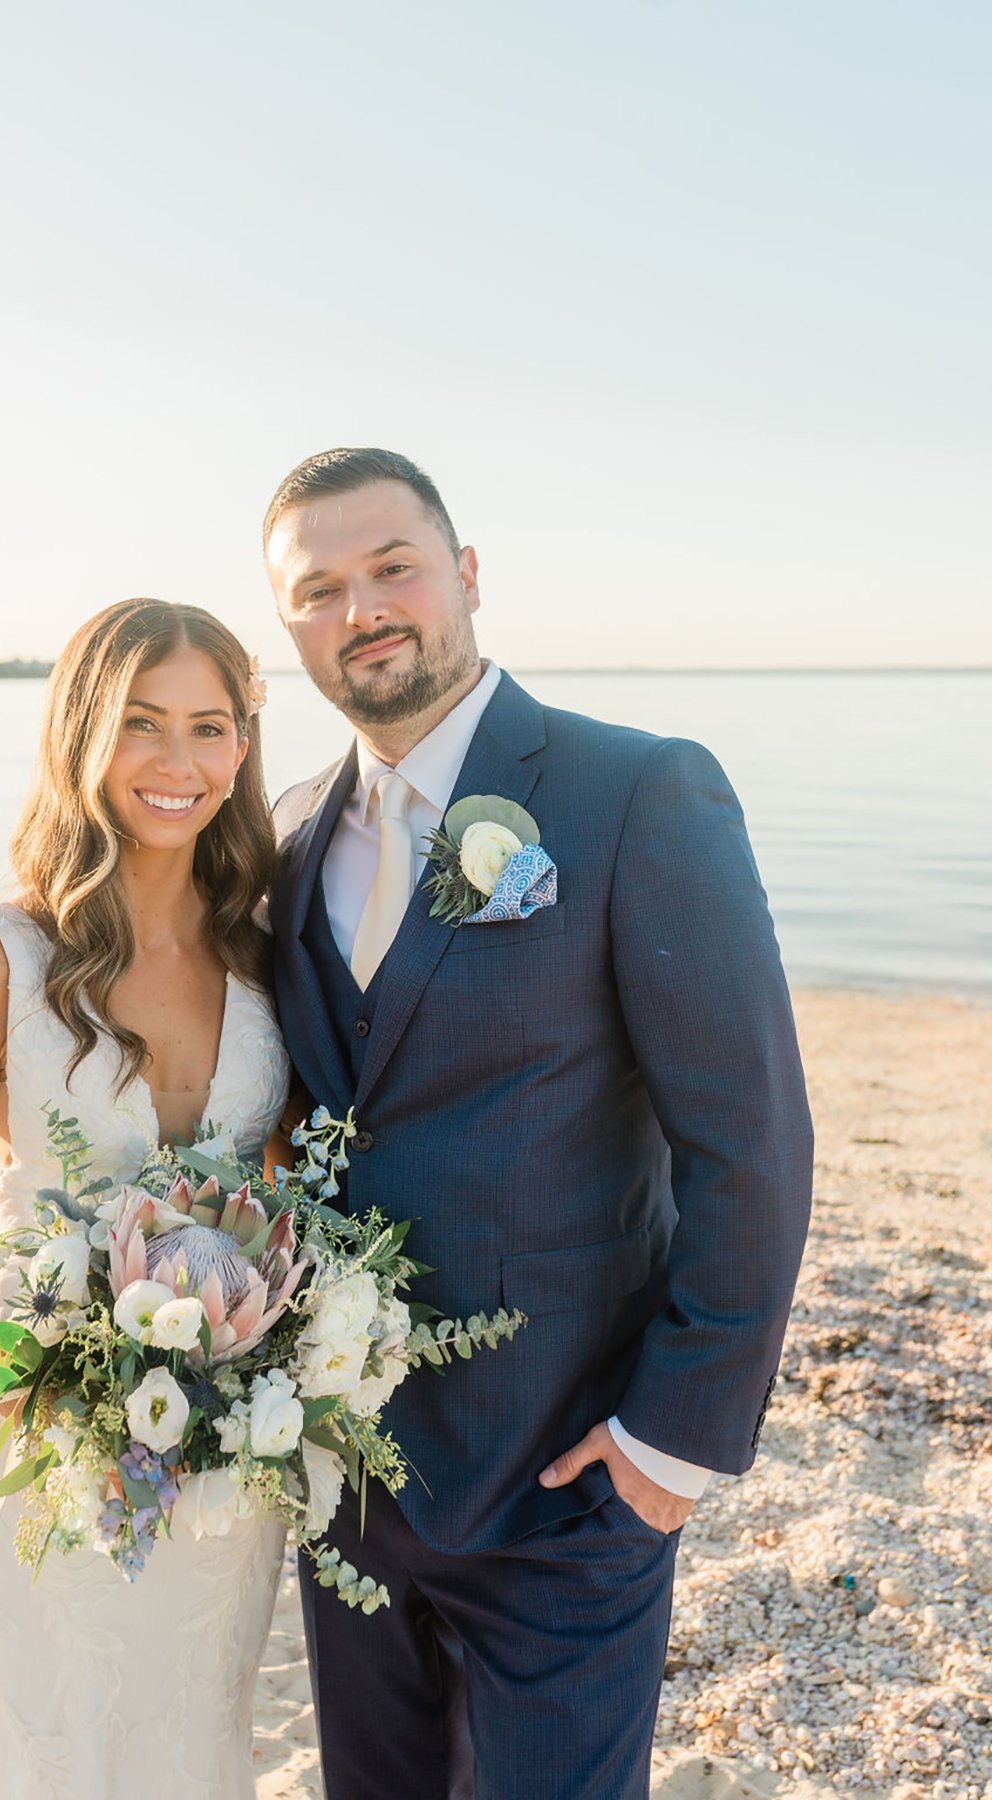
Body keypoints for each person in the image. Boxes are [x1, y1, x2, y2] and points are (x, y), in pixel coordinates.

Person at [264, 448, 815, 1800]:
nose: (365, 607)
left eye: (392, 566)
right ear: (289, 628)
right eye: (319, 589)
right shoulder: (283, 837)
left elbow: (750, 1136)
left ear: (464, 573)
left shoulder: (637, 793)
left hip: (566, 1486)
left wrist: (670, 1442)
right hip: (347, 1481)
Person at [0, 600, 292, 1800]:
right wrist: (42, 1415)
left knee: (194, 1750)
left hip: (222, 1459)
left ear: (243, 749)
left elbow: (290, 1204)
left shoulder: (267, 955)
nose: (179, 763)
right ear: (80, 732)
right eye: (143, 725)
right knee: (41, 1756)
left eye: (210, 727)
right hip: (36, 1455)